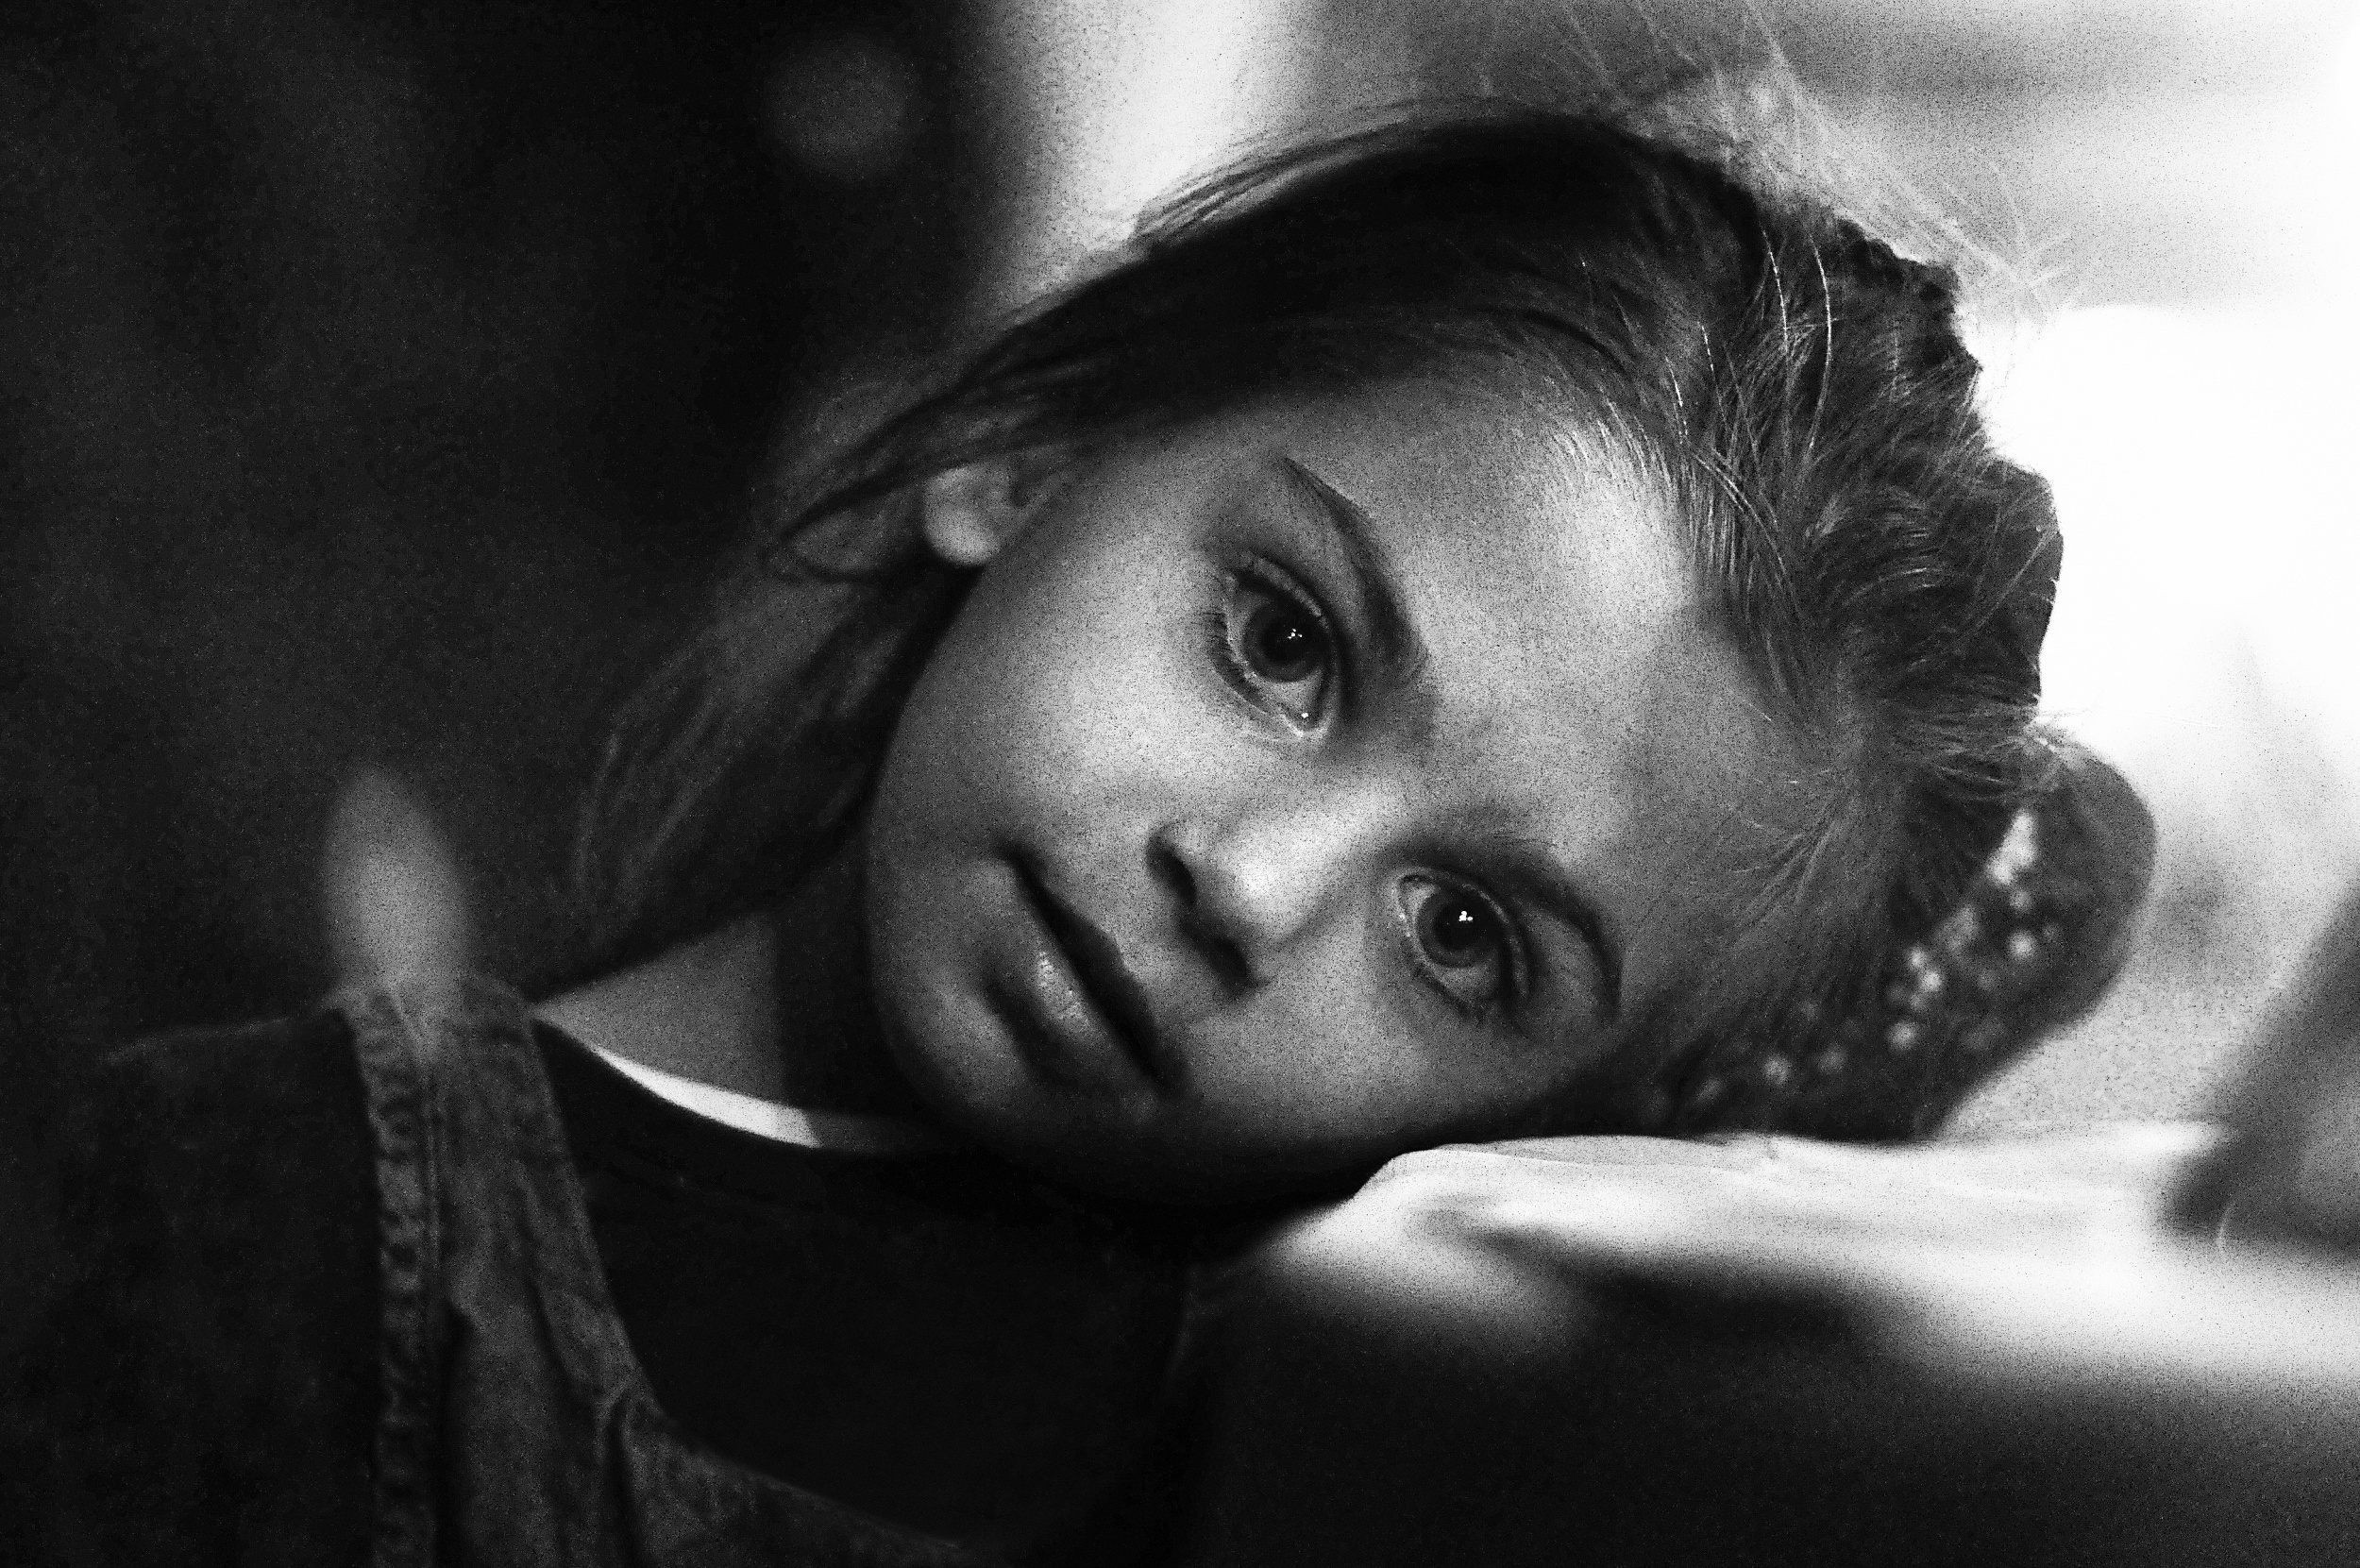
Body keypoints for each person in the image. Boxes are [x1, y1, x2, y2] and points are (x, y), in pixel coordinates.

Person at [6, 89, 2152, 1567]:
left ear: (1596, 1110)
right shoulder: (259, 1207)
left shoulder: (1370, 1399)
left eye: (1465, 938)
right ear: (1026, 448)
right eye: (1283, 642)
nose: (1246, 888)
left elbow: (2021, 943)